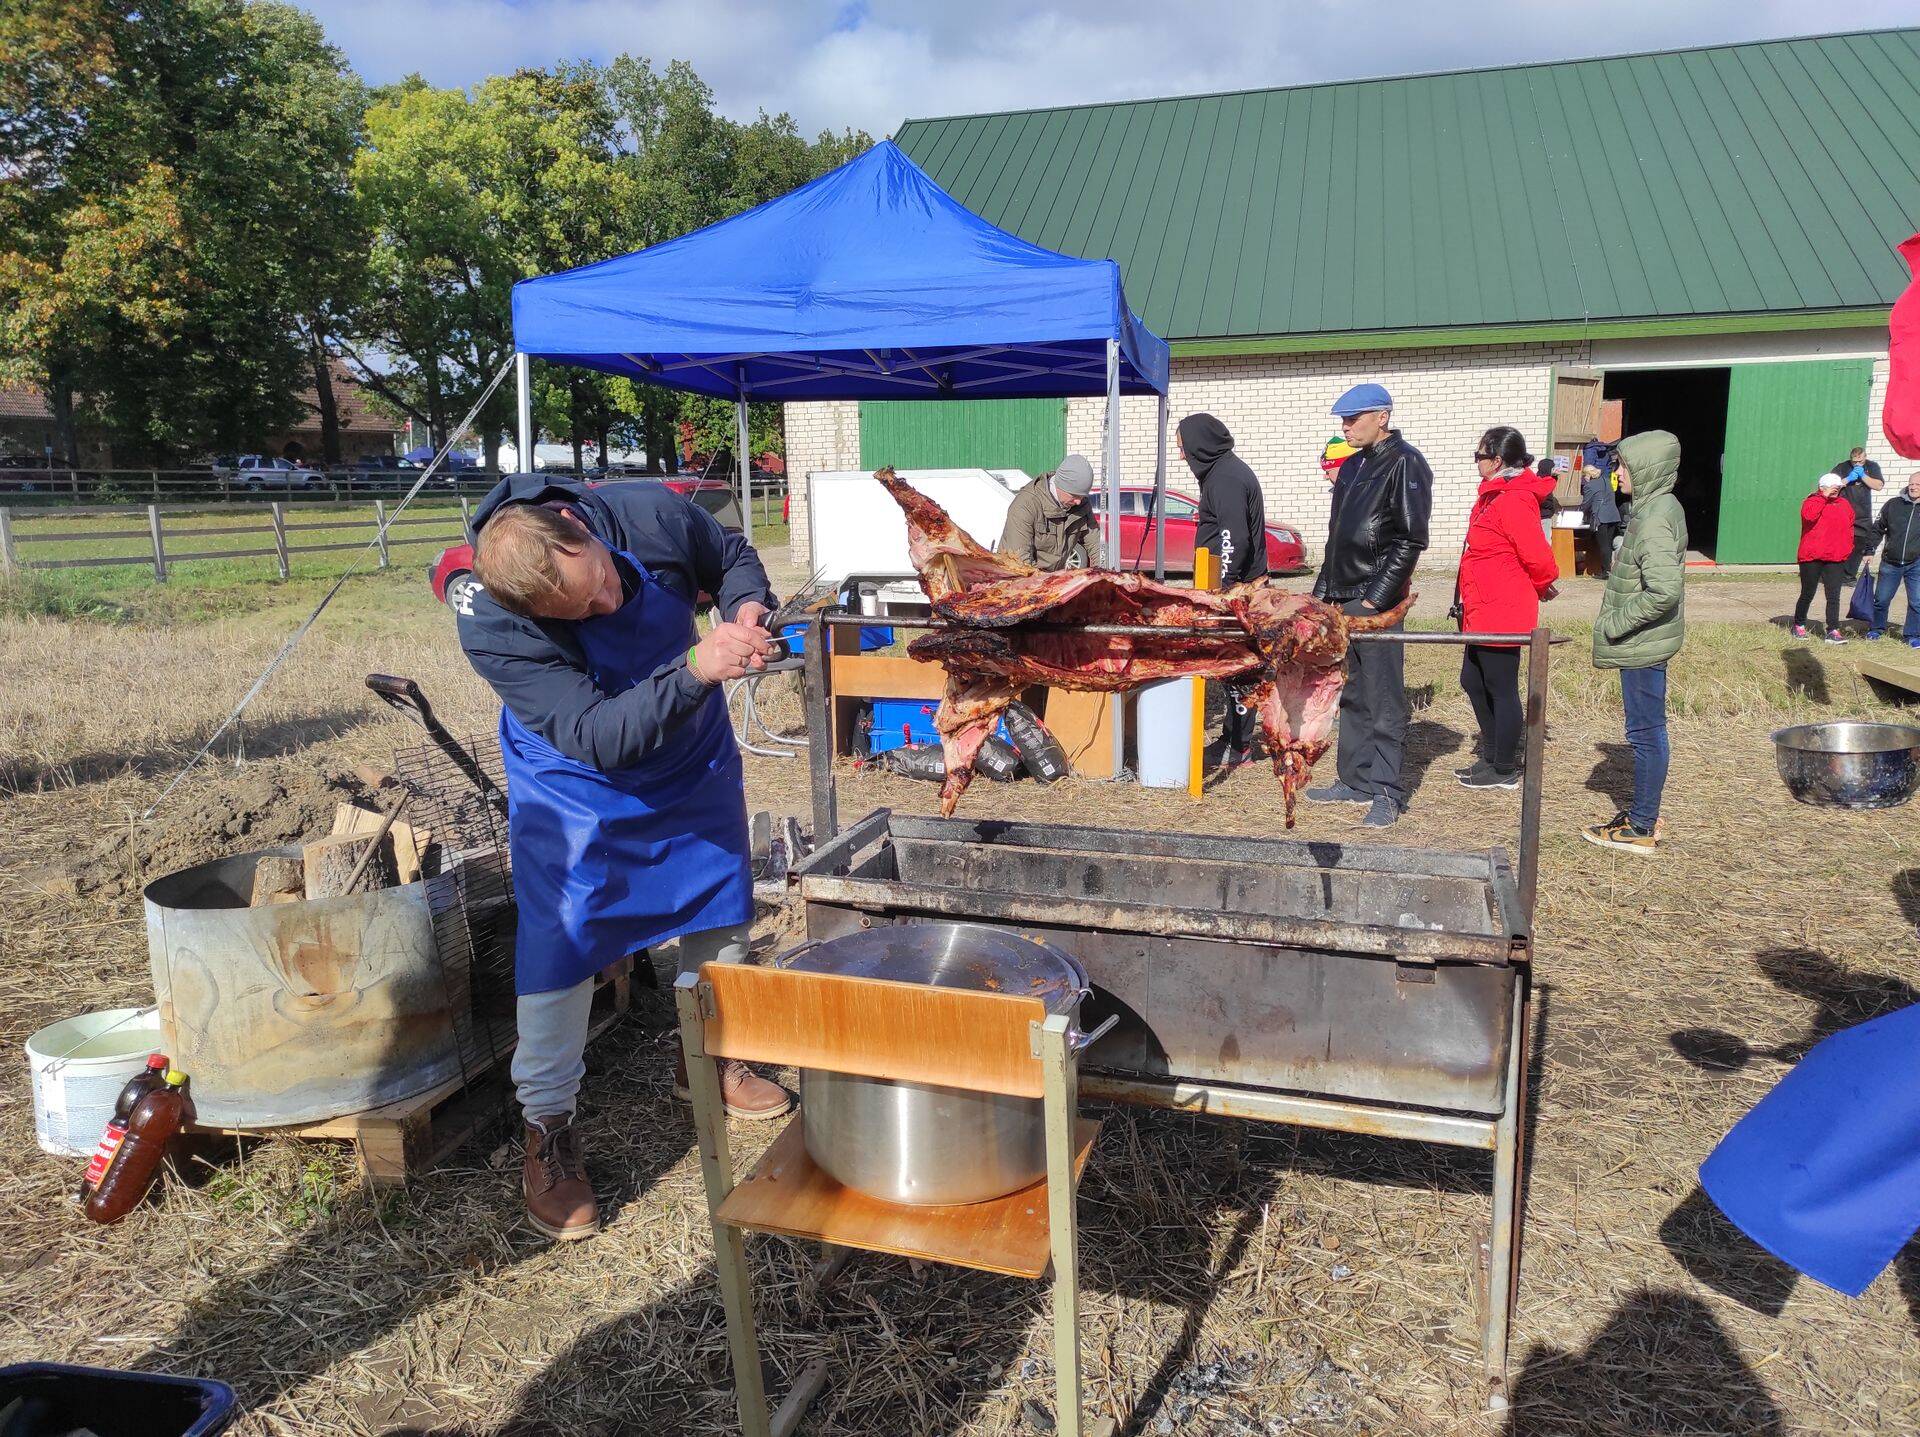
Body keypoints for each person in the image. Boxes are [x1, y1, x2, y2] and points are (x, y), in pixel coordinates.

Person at [456, 473, 790, 1242]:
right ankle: (547, 1124)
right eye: (579, 614)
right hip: (578, 782)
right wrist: (698, 667)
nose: (606, 605)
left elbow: (730, 551)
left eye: (602, 580)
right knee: (565, 934)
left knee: (721, 902)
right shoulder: (488, 618)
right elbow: (599, 737)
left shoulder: (649, 512)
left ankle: (706, 1056)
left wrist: (743, 603)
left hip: (688, 756)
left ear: (580, 524)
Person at [1306, 382, 1432, 827]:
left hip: (1373, 599)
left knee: (1382, 696)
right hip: (1343, 596)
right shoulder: (1354, 465)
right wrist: (1321, 598)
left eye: (1353, 418)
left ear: (1382, 417)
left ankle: (1385, 790)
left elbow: (1411, 538)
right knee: (1353, 692)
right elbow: (1337, 539)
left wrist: (1376, 599)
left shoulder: (1406, 463)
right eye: (1343, 419)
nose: (1346, 426)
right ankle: (1355, 779)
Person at [1583, 430, 1686, 855]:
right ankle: (1643, 812)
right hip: (1642, 641)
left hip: (1642, 642)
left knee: (1645, 734)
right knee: (1647, 731)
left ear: (1647, 468)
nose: (1616, 473)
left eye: (1622, 465)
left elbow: (1664, 591)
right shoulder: (1653, 507)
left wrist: (1615, 624)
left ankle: (1641, 826)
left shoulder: (1656, 517)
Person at [1454, 428, 1559, 790]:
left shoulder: (1513, 499)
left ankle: (1503, 768)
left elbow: (1537, 554)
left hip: (1503, 608)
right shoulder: (1493, 495)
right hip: (1481, 606)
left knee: (1500, 685)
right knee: (1472, 680)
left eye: (1479, 456)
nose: (1476, 462)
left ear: (1497, 461)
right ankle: (1491, 756)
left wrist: (1544, 585)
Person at [1178, 413, 1269, 764]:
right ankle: (1232, 739)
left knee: (1239, 667)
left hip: (1237, 592)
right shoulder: (1223, 473)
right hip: (1230, 588)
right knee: (1230, 669)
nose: (1183, 456)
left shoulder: (1226, 479)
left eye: (1184, 448)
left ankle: (1240, 746)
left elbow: (1235, 539)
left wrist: (1226, 588)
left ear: (1200, 445)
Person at [997, 454, 1095, 570]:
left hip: (1050, 578)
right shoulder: (1026, 505)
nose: (1078, 501)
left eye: (1082, 496)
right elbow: (1019, 564)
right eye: (1074, 495)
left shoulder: (1081, 505)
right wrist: (1047, 585)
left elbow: (1096, 545)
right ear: (1060, 485)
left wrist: (1106, 579)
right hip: (1017, 578)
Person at [1792, 472, 1854, 643]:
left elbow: (1849, 527)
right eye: (1832, 488)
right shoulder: (1812, 501)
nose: (1836, 491)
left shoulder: (1844, 504)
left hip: (1835, 556)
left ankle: (1833, 630)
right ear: (1822, 488)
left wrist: (1848, 548)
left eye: (1838, 488)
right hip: (1812, 555)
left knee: (1834, 595)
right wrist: (1823, 497)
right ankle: (1799, 624)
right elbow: (1809, 516)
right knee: (1808, 592)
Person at [1869, 471, 1920, 645]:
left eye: (1917, 485)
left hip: (1916, 563)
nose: (1913, 487)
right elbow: (1878, 528)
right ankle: (1876, 629)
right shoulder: (1893, 505)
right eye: (1911, 483)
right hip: (1891, 561)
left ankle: (1912, 635)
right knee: (1881, 599)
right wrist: (1870, 550)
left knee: (1917, 601)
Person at [1832, 446, 1885, 582]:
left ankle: (1848, 576)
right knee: (1840, 543)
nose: (1857, 464)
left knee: (1859, 544)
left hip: (1863, 514)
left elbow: (1878, 486)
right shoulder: (1842, 467)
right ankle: (1835, 575)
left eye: (1860, 461)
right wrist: (1847, 479)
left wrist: (1863, 475)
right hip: (1843, 512)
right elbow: (1832, 485)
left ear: (1865, 457)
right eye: (1854, 462)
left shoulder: (1872, 466)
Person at [1581, 456, 1623, 578]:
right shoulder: (1607, 481)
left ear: (1587, 475)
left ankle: (1606, 572)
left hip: (1601, 517)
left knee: (1603, 545)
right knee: (1608, 544)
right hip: (1613, 515)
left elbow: (1586, 504)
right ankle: (1609, 568)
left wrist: (1582, 512)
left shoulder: (1589, 486)